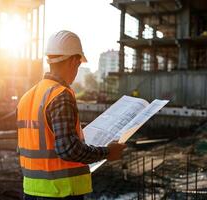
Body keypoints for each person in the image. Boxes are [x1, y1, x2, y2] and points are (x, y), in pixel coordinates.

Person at [16, 30, 126, 200]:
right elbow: (68, 149)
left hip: (31, 190)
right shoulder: (60, 95)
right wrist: (107, 152)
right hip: (61, 192)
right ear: (74, 60)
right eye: (78, 64)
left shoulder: (27, 97)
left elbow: (24, 148)